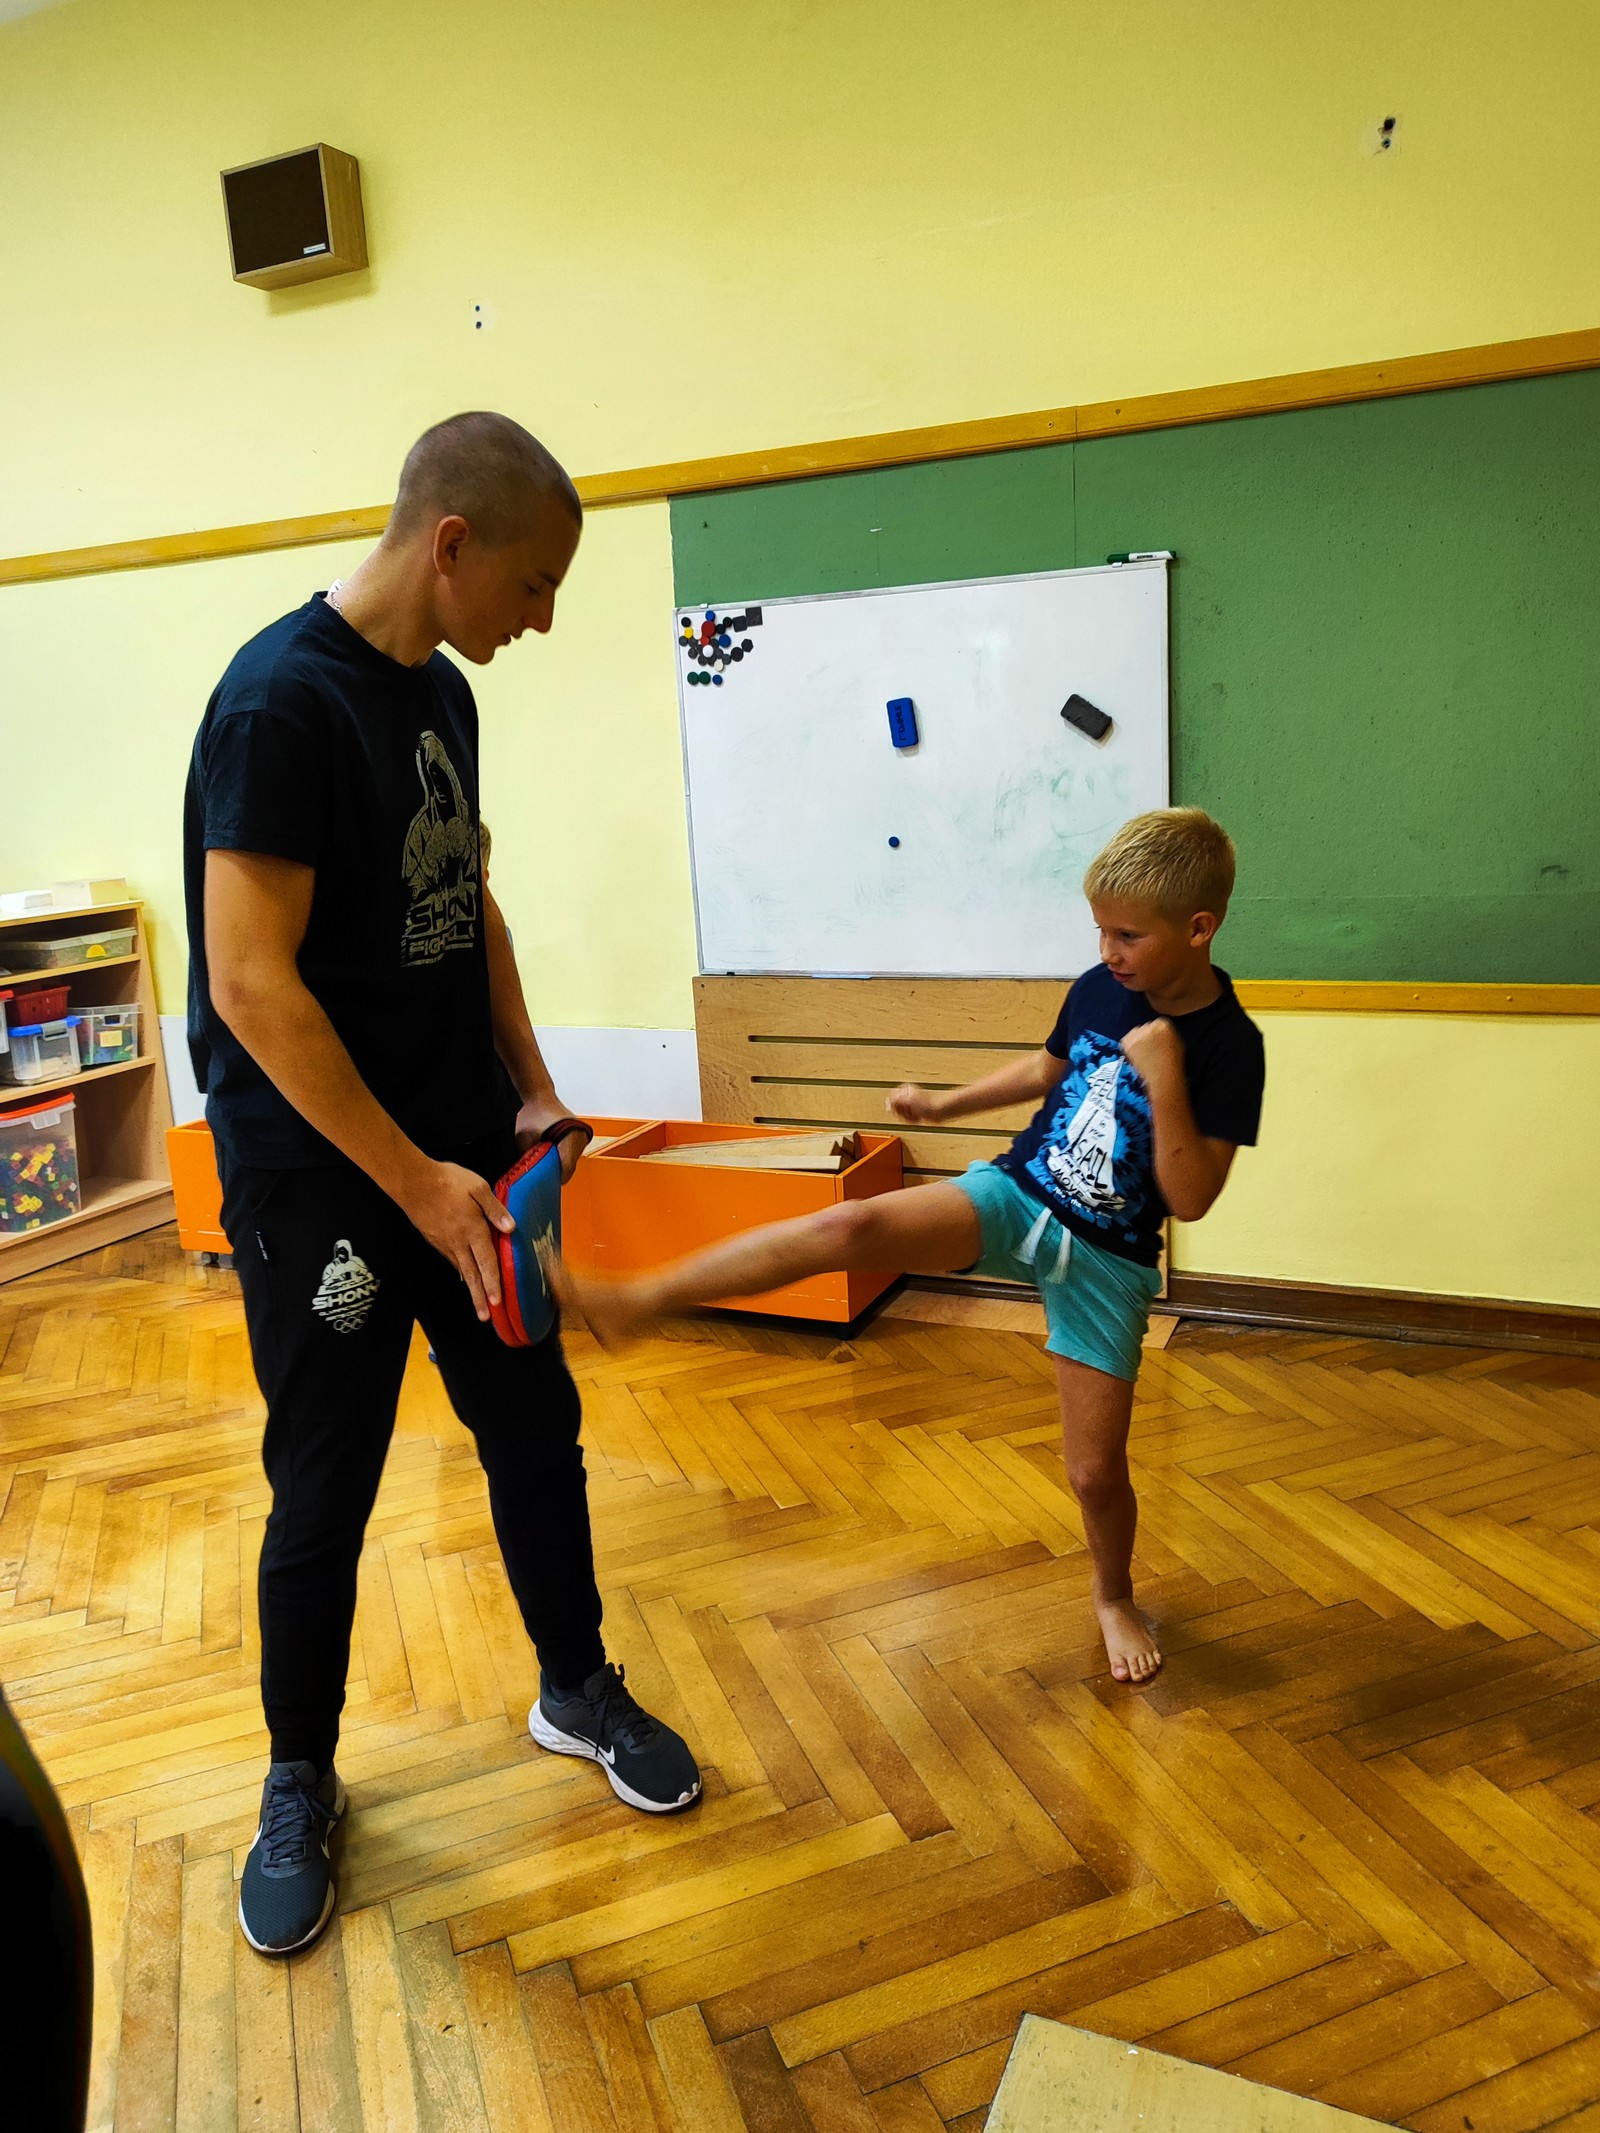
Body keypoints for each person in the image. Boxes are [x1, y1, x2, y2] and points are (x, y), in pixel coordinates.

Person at [184, 411, 700, 1960]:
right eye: (535, 584)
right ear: (452, 543)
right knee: (324, 1484)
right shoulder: (278, 704)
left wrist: (529, 1085)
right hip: (324, 1178)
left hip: (461, 1155)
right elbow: (250, 983)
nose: (542, 619)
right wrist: (413, 1181)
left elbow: (467, 900)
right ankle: (299, 1777)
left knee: (535, 1427)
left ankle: (574, 1685)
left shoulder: (446, 695)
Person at [561, 807, 1265, 1687]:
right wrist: (945, 1104)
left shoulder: (1232, 1046)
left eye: (1127, 935)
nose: (1107, 950)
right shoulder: (1099, 986)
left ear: (1198, 929)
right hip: (1018, 1195)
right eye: (1099, 930)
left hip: (1108, 1261)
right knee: (848, 1225)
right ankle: (635, 1299)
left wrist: (1165, 1078)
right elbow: (1044, 1069)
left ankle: (1113, 1595)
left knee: (1093, 1474)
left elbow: (1192, 1196)